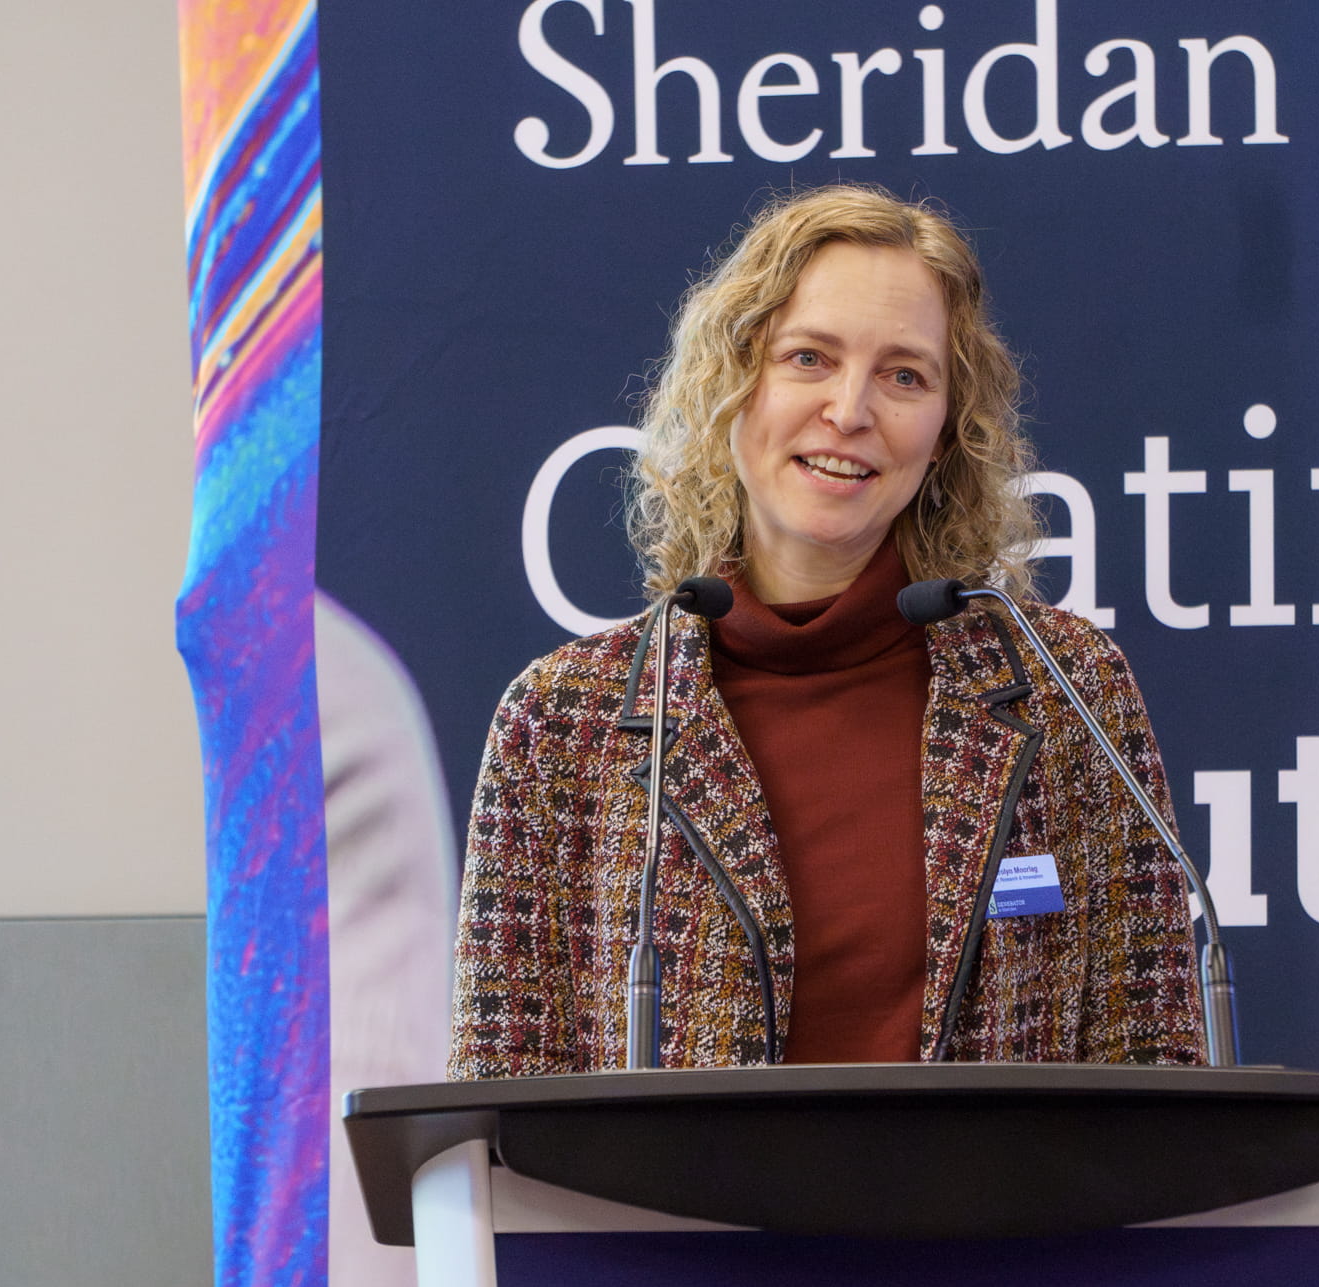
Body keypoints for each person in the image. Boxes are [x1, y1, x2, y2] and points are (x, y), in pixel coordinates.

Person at [449, 184, 1203, 1076]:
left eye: (904, 375)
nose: (851, 410)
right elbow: (498, 1115)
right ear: (733, 381)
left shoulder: (1066, 686)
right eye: (808, 357)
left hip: (996, 1220)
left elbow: (1157, 1065)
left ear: (948, 432)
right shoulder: (563, 722)